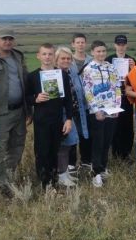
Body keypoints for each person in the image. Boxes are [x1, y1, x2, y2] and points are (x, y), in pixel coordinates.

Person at [0, 28, 30, 199]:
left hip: (19, 111)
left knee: (17, 147)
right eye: (4, 39)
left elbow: (25, 80)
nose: (7, 42)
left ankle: (7, 179)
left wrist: (28, 109)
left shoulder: (18, 56)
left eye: (10, 39)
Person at [25, 43, 73, 190]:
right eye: (44, 54)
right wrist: (35, 99)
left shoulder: (62, 75)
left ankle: (53, 180)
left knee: (55, 150)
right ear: (38, 56)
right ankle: (44, 182)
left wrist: (69, 119)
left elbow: (68, 99)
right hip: (41, 121)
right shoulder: (32, 76)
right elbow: (26, 97)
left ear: (54, 56)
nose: (47, 57)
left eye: (50, 54)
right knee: (42, 151)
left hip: (58, 120)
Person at [82, 40, 121, 187]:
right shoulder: (88, 69)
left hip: (111, 110)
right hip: (97, 112)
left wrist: (117, 107)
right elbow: (87, 91)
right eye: (98, 51)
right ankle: (96, 173)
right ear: (92, 52)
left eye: (103, 51)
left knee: (107, 141)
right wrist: (96, 110)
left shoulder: (111, 67)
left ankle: (103, 167)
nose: (101, 54)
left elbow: (117, 87)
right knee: (98, 142)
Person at [55, 47, 87, 186]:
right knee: (64, 144)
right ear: (56, 60)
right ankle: (61, 175)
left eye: (68, 58)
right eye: (63, 58)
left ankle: (65, 173)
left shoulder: (71, 72)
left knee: (70, 142)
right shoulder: (53, 74)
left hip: (72, 112)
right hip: (60, 113)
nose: (66, 60)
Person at [106, 35, 135, 161]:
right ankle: (115, 152)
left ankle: (126, 152)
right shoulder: (109, 59)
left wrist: (133, 68)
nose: (121, 46)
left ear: (126, 45)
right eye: (119, 44)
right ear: (115, 45)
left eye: (123, 44)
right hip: (112, 98)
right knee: (115, 125)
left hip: (127, 97)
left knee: (127, 125)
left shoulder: (131, 60)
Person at [68, 32, 92, 173]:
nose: (80, 45)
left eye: (83, 42)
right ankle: (71, 164)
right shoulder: (67, 61)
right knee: (71, 134)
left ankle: (86, 161)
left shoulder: (91, 60)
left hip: (89, 104)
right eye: (78, 42)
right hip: (73, 105)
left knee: (86, 134)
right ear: (73, 44)